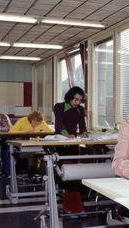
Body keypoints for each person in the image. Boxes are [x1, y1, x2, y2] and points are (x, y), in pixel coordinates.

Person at [54, 86, 88, 217]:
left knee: (73, 176)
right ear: (69, 97)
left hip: (74, 144)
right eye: (75, 99)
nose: (77, 103)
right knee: (70, 176)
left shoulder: (80, 109)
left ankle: (68, 207)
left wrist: (84, 133)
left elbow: (82, 125)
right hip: (61, 142)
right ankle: (77, 209)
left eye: (79, 100)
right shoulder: (59, 106)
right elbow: (59, 124)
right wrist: (66, 135)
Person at [10, 110, 52, 181]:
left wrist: (40, 134)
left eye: (38, 123)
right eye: (34, 122)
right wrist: (26, 132)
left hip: (34, 143)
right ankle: (29, 173)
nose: (35, 124)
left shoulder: (41, 122)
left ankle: (31, 173)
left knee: (37, 151)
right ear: (30, 119)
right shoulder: (22, 121)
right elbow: (11, 132)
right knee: (31, 152)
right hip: (21, 143)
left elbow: (50, 132)